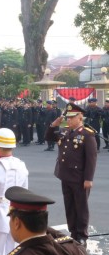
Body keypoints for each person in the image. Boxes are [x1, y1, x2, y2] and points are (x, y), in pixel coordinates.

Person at [45, 103, 97, 246]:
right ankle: (73, 231)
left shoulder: (87, 134)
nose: (68, 120)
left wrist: (88, 179)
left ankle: (82, 235)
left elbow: (91, 159)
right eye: (67, 118)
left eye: (71, 118)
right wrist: (53, 124)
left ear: (80, 117)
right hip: (65, 175)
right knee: (69, 205)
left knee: (81, 206)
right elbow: (48, 137)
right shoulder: (65, 131)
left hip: (79, 178)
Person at [0, 186, 87, 255]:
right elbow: (76, 245)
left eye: (10, 218)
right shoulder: (72, 250)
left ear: (17, 223)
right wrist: (41, 226)